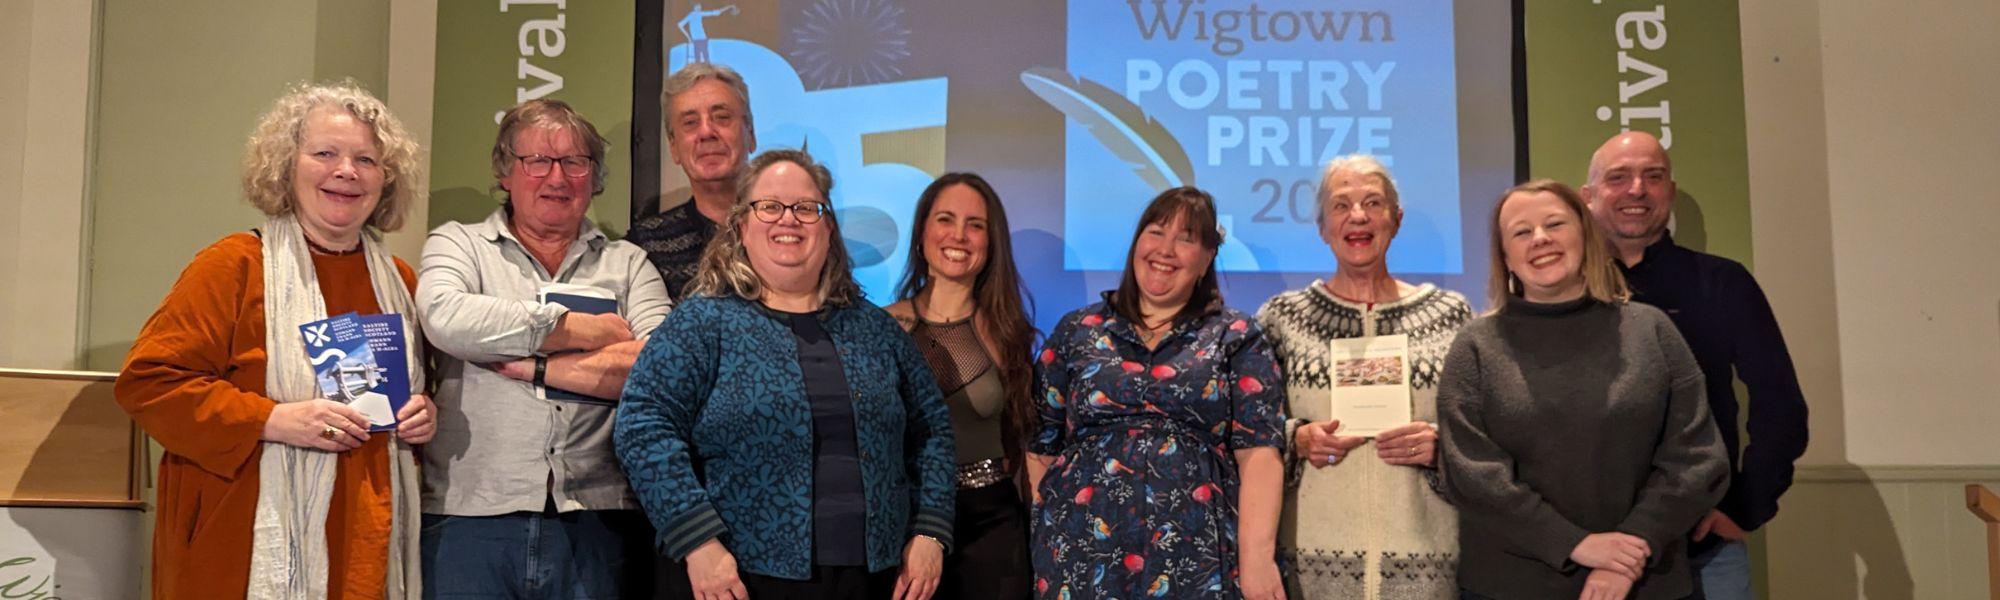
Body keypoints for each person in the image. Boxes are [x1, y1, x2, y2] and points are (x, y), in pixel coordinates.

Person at [115, 82, 434, 599]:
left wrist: (425, 416)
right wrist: (270, 419)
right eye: (325, 153)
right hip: (240, 539)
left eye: (366, 160)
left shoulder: (399, 281)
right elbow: (149, 384)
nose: (346, 171)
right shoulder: (233, 266)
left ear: (386, 180)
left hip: (365, 540)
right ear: (286, 166)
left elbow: (415, 395)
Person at [616, 149, 957, 600]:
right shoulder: (702, 323)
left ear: (829, 227)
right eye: (770, 207)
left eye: (806, 208)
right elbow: (642, 426)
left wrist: (931, 531)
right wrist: (697, 541)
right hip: (740, 577)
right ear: (741, 226)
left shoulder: (875, 329)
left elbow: (932, 429)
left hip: (878, 577)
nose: (788, 220)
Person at [415, 99, 672, 598]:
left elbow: (657, 366)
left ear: (594, 177)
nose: (557, 177)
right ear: (505, 173)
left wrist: (530, 365)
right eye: (537, 161)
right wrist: (580, 329)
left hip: (598, 520)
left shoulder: (629, 262)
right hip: (470, 516)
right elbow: (447, 318)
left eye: (575, 162)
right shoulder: (458, 245)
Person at [1438, 179, 1729, 600]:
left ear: (1585, 234)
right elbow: (1472, 474)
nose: (1540, 239)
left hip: (1644, 582)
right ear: (1506, 257)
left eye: (1554, 224)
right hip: (1510, 588)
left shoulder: (1651, 331)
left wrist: (1630, 551)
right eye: (1521, 232)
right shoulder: (1475, 346)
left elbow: (1696, 457)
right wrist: (1576, 545)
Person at [1026, 187, 1288, 600]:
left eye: (1186, 238)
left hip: (1198, 556)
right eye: (1156, 231)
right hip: (1080, 552)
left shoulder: (1235, 336)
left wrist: (1257, 559)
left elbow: (1259, 454)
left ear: (1205, 259)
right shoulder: (1078, 330)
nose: (1165, 249)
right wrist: (1052, 527)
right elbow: (1039, 446)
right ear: (1136, 244)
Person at [1581, 131, 1810, 599]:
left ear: (1669, 189)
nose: (1637, 190)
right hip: (1588, 554)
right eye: (1618, 178)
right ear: (1588, 197)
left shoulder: (1723, 283)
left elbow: (1780, 404)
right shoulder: (1560, 292)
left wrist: (1746, 507)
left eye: (1653, 176)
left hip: (1704, 552)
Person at [1255, 156, 1473, 599]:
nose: (1358, 216)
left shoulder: (1452, 316)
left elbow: (1486, 434)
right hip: (1311, 569)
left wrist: (1441, 446)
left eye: (1373, 202)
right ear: (1322, 227)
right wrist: (1297, 439)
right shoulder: (1281, 319)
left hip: (1428, 568)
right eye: (1341, 205)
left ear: (1395, 219)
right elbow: (1248, 436)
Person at [885, 173, 1036, 598]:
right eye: (945, 219)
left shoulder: (1010, 334)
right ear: (921, 233)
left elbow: (1025, 447)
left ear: (992, 244)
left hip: (992, 525)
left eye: (975, 225)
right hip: (904, 523)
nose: (959, 235)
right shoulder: (882, 326)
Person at [628, 63, 757, 300]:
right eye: (690, 123)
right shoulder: (644, 247)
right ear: (673, 147)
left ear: (751, 134)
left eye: (721, 117)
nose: (706, 132)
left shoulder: (789, 227)